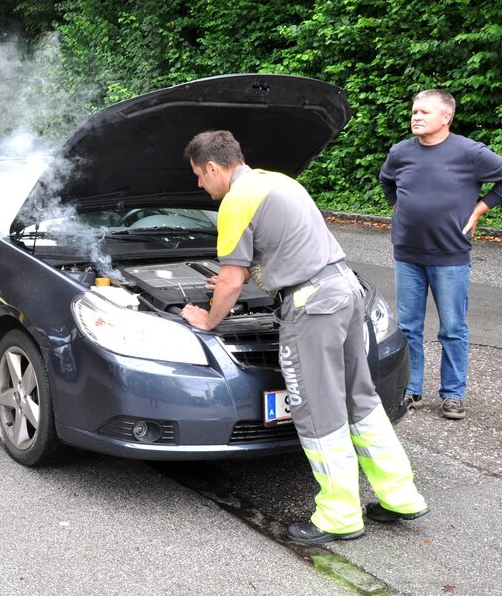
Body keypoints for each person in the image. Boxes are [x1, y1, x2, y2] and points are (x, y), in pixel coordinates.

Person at [180, 130, 428, 544]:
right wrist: (236, 279)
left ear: (212, 167)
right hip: (345, 289)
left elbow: (232, 279)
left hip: (313, 305)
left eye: (199, 176)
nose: (200, 185)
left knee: (316, 408)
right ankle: (400, 495)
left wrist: (208, 318)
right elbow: (287, 247)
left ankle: (339, 515)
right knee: (359, 397)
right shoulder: (277, 181)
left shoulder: (235, 201)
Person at [379, 90, 502, 420]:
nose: (416, 117)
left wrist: (478, 211)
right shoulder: (400, 152)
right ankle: (412, 388)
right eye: (414, 111)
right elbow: (386, 180)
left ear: (446, 117)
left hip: (450, 255)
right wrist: (398, 207)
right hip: (407, 254)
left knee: (452, 328)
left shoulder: (469, 152)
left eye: (424, 112)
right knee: (408, 326)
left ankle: (453, 394)